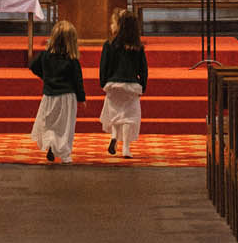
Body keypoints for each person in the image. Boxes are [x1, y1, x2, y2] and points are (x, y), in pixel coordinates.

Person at [27, 19, 85, 164]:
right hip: (67, 96)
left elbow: (32, 65)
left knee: (50, 123)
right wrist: (81, 97)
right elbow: (78, 80)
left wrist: (45, 77)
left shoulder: (45, 55)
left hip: (49, 96)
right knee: (65, 126)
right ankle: (65, 154)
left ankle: (51, 144)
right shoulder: (72, 59)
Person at [99, 9, 148, 159]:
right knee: (129, 117)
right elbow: (143, 69)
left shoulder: (109, 45)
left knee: (115, 113)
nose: (110, 26)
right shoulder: (138, 47)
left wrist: (103, 82)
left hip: (113, 84)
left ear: (119, 26)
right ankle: (126, 147)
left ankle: (114, 135)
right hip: (131, 85)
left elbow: (104, 66)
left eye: (113, 23)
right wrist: (142, 85)